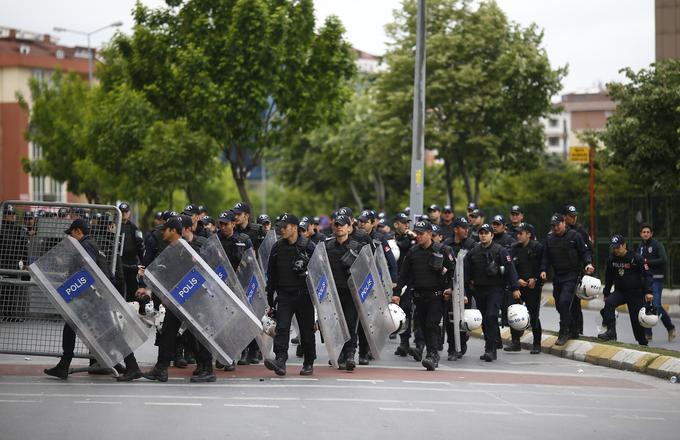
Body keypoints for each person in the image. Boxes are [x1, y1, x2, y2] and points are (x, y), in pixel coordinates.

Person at [44, 219, 142, 381]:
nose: (70, 238)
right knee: (77, 326)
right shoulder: (89, 244)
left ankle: (132, 367)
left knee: (111, 332)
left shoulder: (86, 245)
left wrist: (73, 284)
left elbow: (87, 271)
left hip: (92, 297)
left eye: (71, 234)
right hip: (93, 296)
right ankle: (65, 364)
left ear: (78, 231)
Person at [141, 216, 216, 383]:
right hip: (176, 301)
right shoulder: (172, 249)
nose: (163, 233)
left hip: (192, 300)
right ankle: (161, 369)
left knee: (197, 334)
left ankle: (208, 369)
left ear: (173, 231)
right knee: (167, 332)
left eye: (165, 230)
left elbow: (196, 276)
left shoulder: (186, 251)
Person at [394, 220, 453, 370]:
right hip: (419, 296)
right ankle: (431, 352)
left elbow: (454, 272)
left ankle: (432, 355)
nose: (418, 236)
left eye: (421, 234)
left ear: (429, 234)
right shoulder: (413, 252)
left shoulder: (442, 250)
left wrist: (450, 288)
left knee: (431, 324)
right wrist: (397, 293)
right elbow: (404, 275)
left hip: (437, 295)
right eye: (417, 233)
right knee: (424, 326)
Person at [264, 214, 317, 376]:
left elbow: (320, 271)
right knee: (282, 328)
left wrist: (307, 271)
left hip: (304, 295)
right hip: (284, 295)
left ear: (294, 228)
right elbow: (271, 273)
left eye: (284, 227)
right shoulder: (277, 247)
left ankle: (308, 362)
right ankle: (280, 361)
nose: (281, 230)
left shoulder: (309, 246)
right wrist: (270, 296)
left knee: (306, 331)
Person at [464, 223, 521, 362]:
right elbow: (466, 272)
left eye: (486, 233)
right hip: (479, 289)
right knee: (484, 319)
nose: (483, 235)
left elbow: (510, 269)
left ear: (492, 235)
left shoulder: (500, 251)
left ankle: (492, 348)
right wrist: (465, 291)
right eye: (481, 233)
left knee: (491, 315)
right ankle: (489, 346)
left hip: (496, 289)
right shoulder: (473, 251)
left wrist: (515, 288)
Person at [540, 213, 594, 345]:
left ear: (564, 223)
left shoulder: (575, 236)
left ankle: (564, 331)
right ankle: (574, 329)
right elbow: (545, 257)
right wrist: (543, 270)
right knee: (561, 304)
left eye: (558, 224)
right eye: (553, 226)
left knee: (565, 301)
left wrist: (588, 263)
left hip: (573, 274)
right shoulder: (550, 239)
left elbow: (585, 252)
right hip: (558, 275)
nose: (556, 228)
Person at [597, 235, 653, 346]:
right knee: (609, 303)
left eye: (617, 247)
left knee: (636, 321)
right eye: (613, 248)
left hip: (635, 293)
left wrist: (648, 291)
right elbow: (609, 277)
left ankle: (642, 343)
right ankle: (611, 332)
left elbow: (648, 276)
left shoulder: (636, 258)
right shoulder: (612, 259)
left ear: (624, 245)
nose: (615, 250)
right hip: (620, 292)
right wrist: (606, 293)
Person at [325, 214, 364, 370]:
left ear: (349, 227)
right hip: (334, 292)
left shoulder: (357, 247)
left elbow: (366, 270)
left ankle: (350, 354)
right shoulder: (327, 247)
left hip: (351, 292)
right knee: (336, 324)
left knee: (349, 322)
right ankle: (339, 352)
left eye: (343, 224)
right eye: (337, 224)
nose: (339, 227)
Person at [507, 223, 543, 354]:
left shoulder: (537, 247)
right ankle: (515, 341)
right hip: (518, 287)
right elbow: (510, 267)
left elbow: (543, 266)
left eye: (521, 233)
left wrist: (536, 279)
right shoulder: (513, 248)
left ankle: (537, 343)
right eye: (517, 233)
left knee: (533, 315)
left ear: (528, 234)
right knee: (514, 313)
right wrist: (516, 281)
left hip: (533, 287)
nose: (518, 236)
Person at [443, 217, 475, 360]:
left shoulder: (472, 245)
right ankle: (452, 348)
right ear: (456, 229)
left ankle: (461, 343)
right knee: (450, 318)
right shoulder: (447, 245)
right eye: (463, 227)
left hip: (467, 287)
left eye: (467, 227)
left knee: (463, 318)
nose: (466, 230)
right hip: (450, 286)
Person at [637, 223, 676, 342]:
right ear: (640, 234)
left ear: (651, 234)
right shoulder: (640, 247)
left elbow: (663, 259)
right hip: (644, 280)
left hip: (656, 279)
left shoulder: (657, 245)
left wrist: (647, 262)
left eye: (648, 232)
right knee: (646, 305)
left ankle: (670, 328)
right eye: (644, 232)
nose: (646, 234)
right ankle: (648, 333)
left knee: (657, 305)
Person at [0, 204, 28, 322]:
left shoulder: (18, 229)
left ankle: (8, 313)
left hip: (13, 263)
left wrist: (25, 262)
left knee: (11, 289)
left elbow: (24, 247)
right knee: (3, 289)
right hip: (2, 263)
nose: (11, 216)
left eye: (13, 214)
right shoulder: (1, 229)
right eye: (9, 214)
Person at [118, 202, 145, 305]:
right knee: (118, 291)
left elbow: (140, 246)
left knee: (132, 292)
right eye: (122, 212)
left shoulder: (134, 227)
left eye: (126, 212)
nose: (124, 214)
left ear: (129, 213)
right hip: (119, 265)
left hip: (132, 265)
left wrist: (143, 262)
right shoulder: (114, 227)